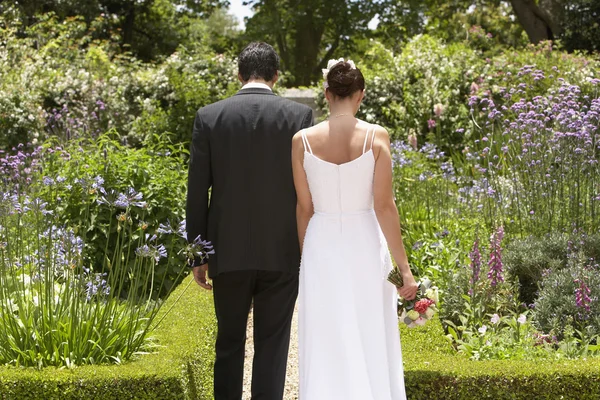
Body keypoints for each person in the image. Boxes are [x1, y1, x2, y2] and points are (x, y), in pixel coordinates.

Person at [186, 42, 314, 400]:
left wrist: (198, 255)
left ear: (239, 74)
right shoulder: (298, 118)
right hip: (283, 250)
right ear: (276, 76)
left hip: (227, 251)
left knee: (228, 342)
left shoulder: (209, 117)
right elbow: (309, 192)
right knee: (273, 347)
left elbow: (197, 193)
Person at [291, 59, 418, 399]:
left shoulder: (300, 141)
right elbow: (384, 205)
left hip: (320, 243)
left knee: (325, 333)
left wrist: (308, 256)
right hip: (365, 242)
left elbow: (304, 208)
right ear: (360, 95)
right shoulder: (376, 136)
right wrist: (404, 270)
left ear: (326, 93)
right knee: (369, 328)